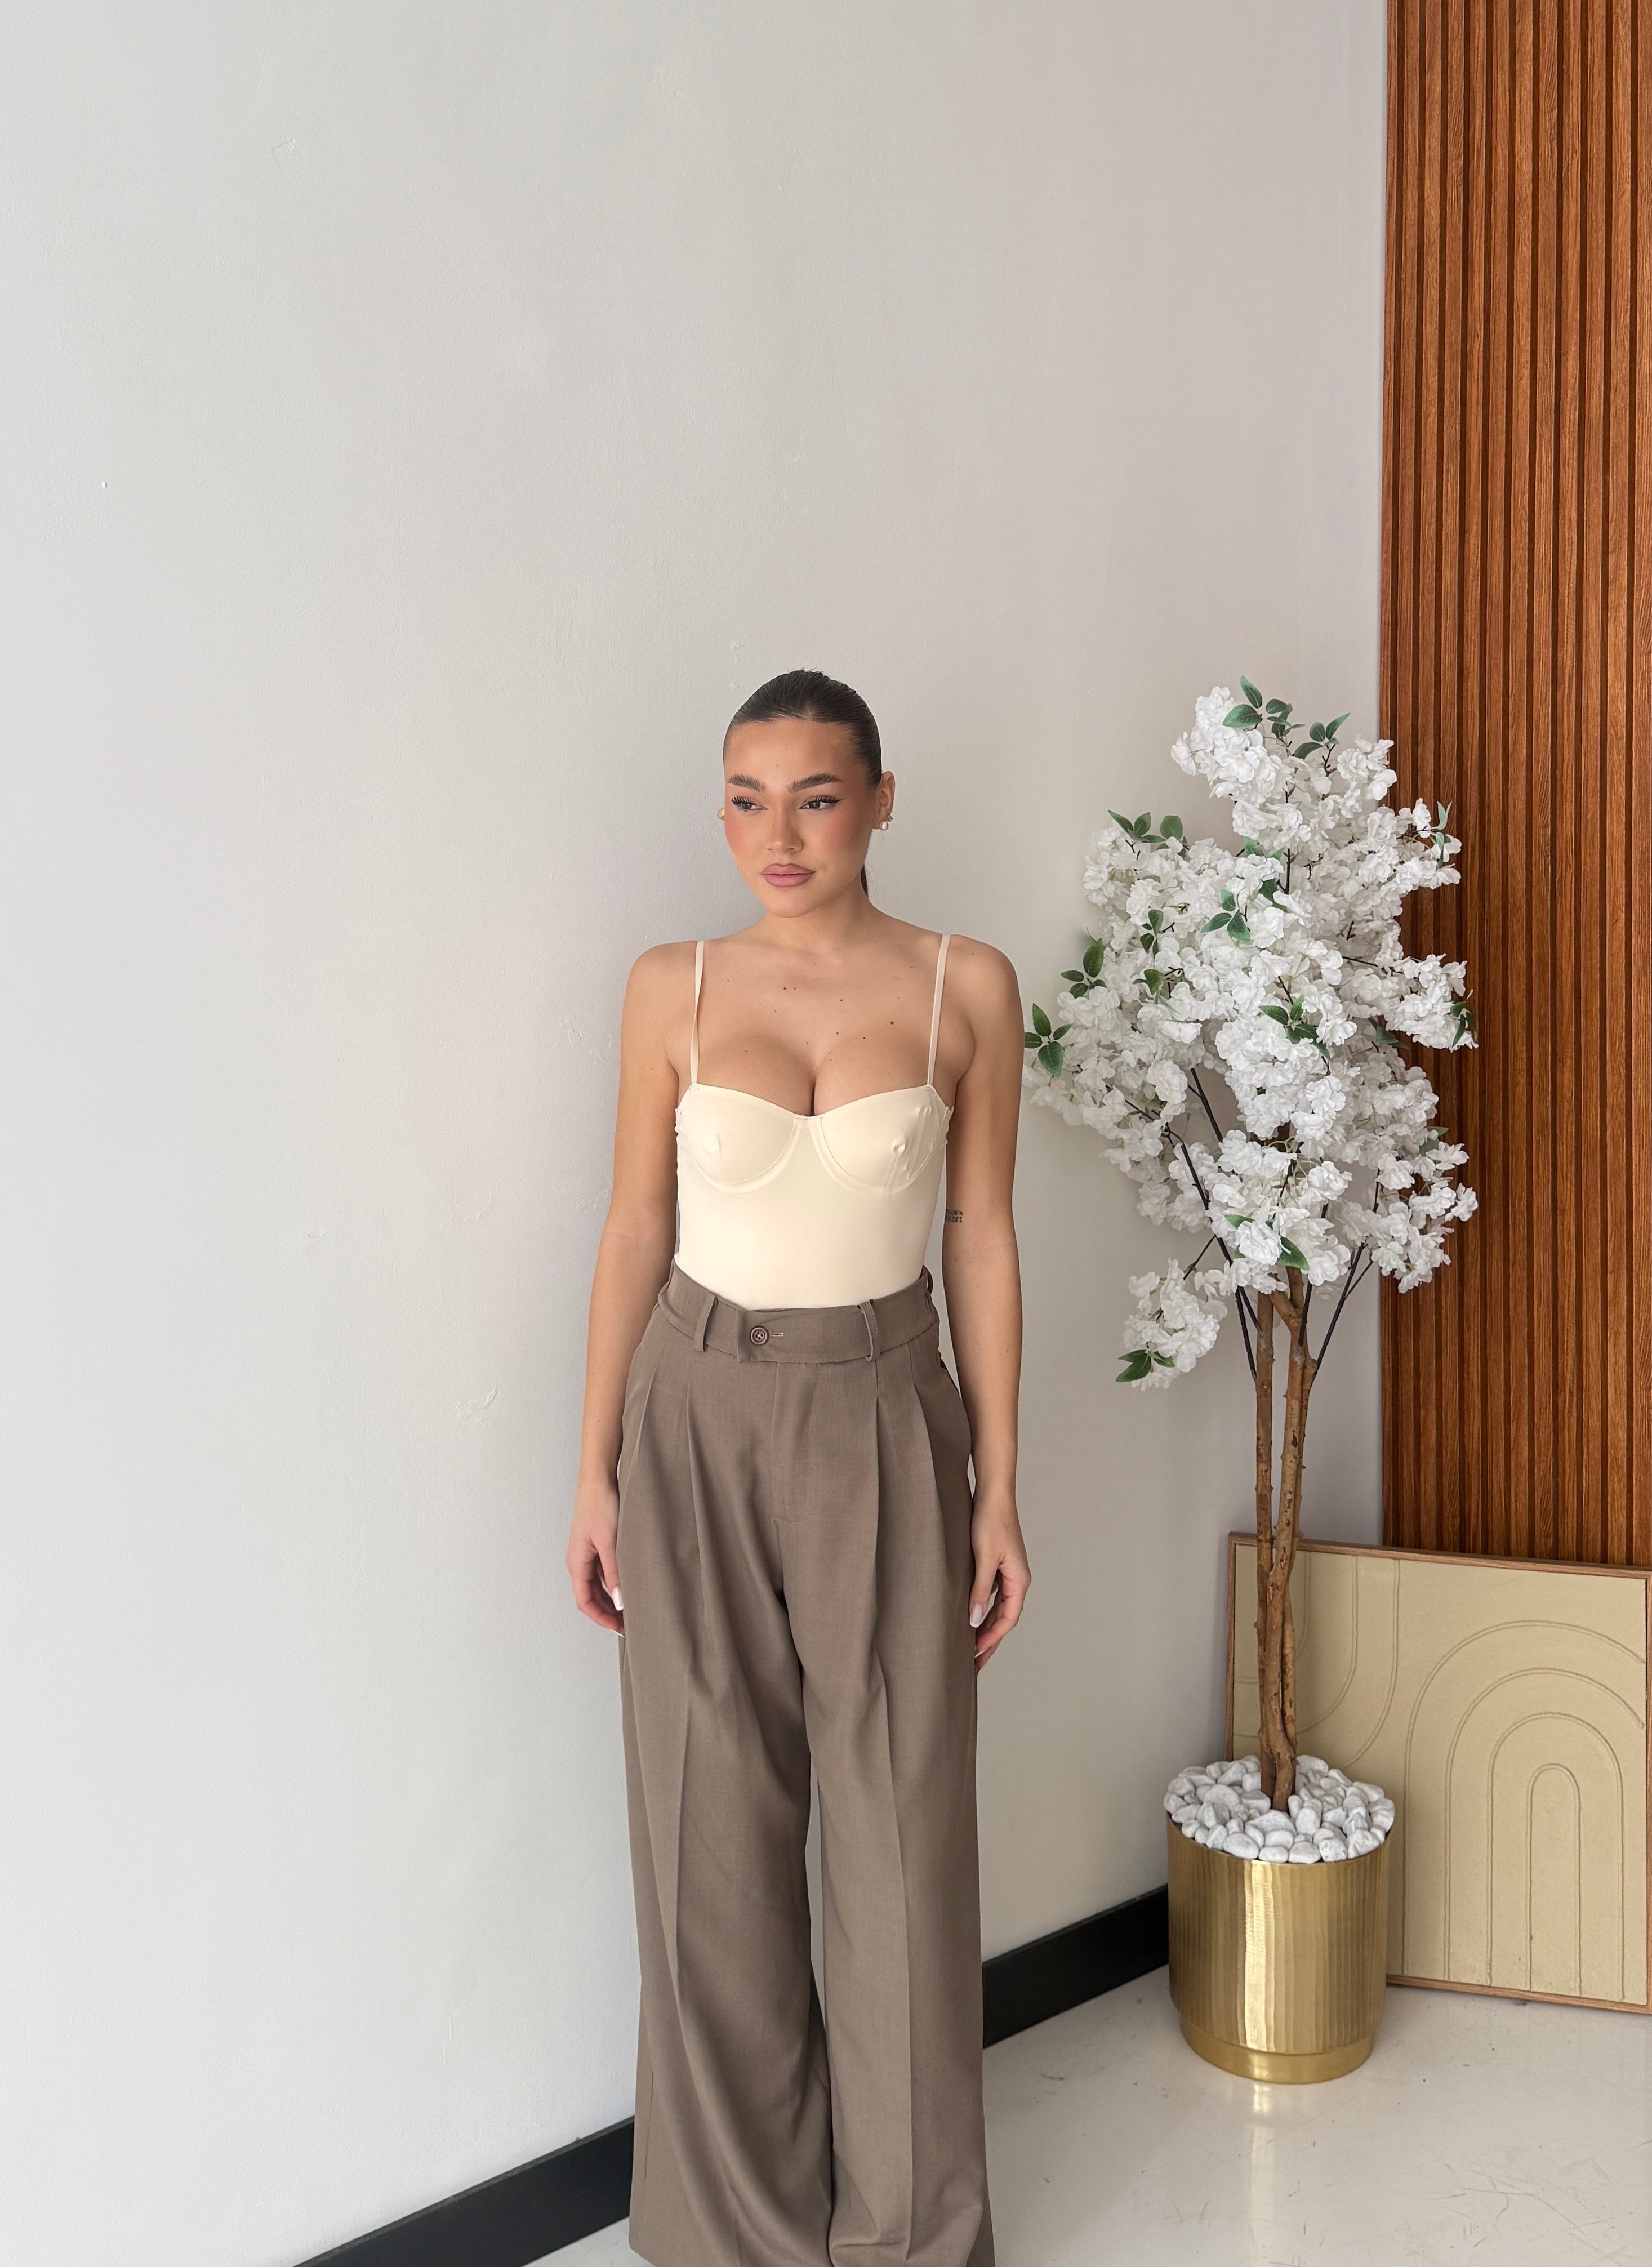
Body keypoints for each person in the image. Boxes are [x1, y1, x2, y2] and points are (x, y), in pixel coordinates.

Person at [567, 669, 1030, 2267]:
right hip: (693, 1407)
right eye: (748, 801)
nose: (780, 835)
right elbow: (634, 1228)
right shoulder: (674, 987)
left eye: (817, 798)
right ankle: (733, 2233)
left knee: (903, 1823)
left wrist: (1000, 1486)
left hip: (888, 1406)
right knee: (708, 1824)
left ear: (881, 802)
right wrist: (593, 1472)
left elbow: (982, 1235)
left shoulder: (966, 982)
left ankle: (911, 2238)